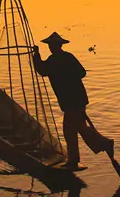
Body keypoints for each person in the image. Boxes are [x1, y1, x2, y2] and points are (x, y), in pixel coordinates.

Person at [32, 31, 113, 171]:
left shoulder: (56, 60)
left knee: (74, 129)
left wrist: (36, 56)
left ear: (57, 46)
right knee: (73, 129)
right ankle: (75, 159)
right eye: (51, 45)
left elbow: (43, 70)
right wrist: (37, 55)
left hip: (73, 100)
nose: (51, 47)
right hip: (76, 99)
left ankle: (104, 143)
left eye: (52, 45)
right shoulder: (64, 58)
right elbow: (79, 72)